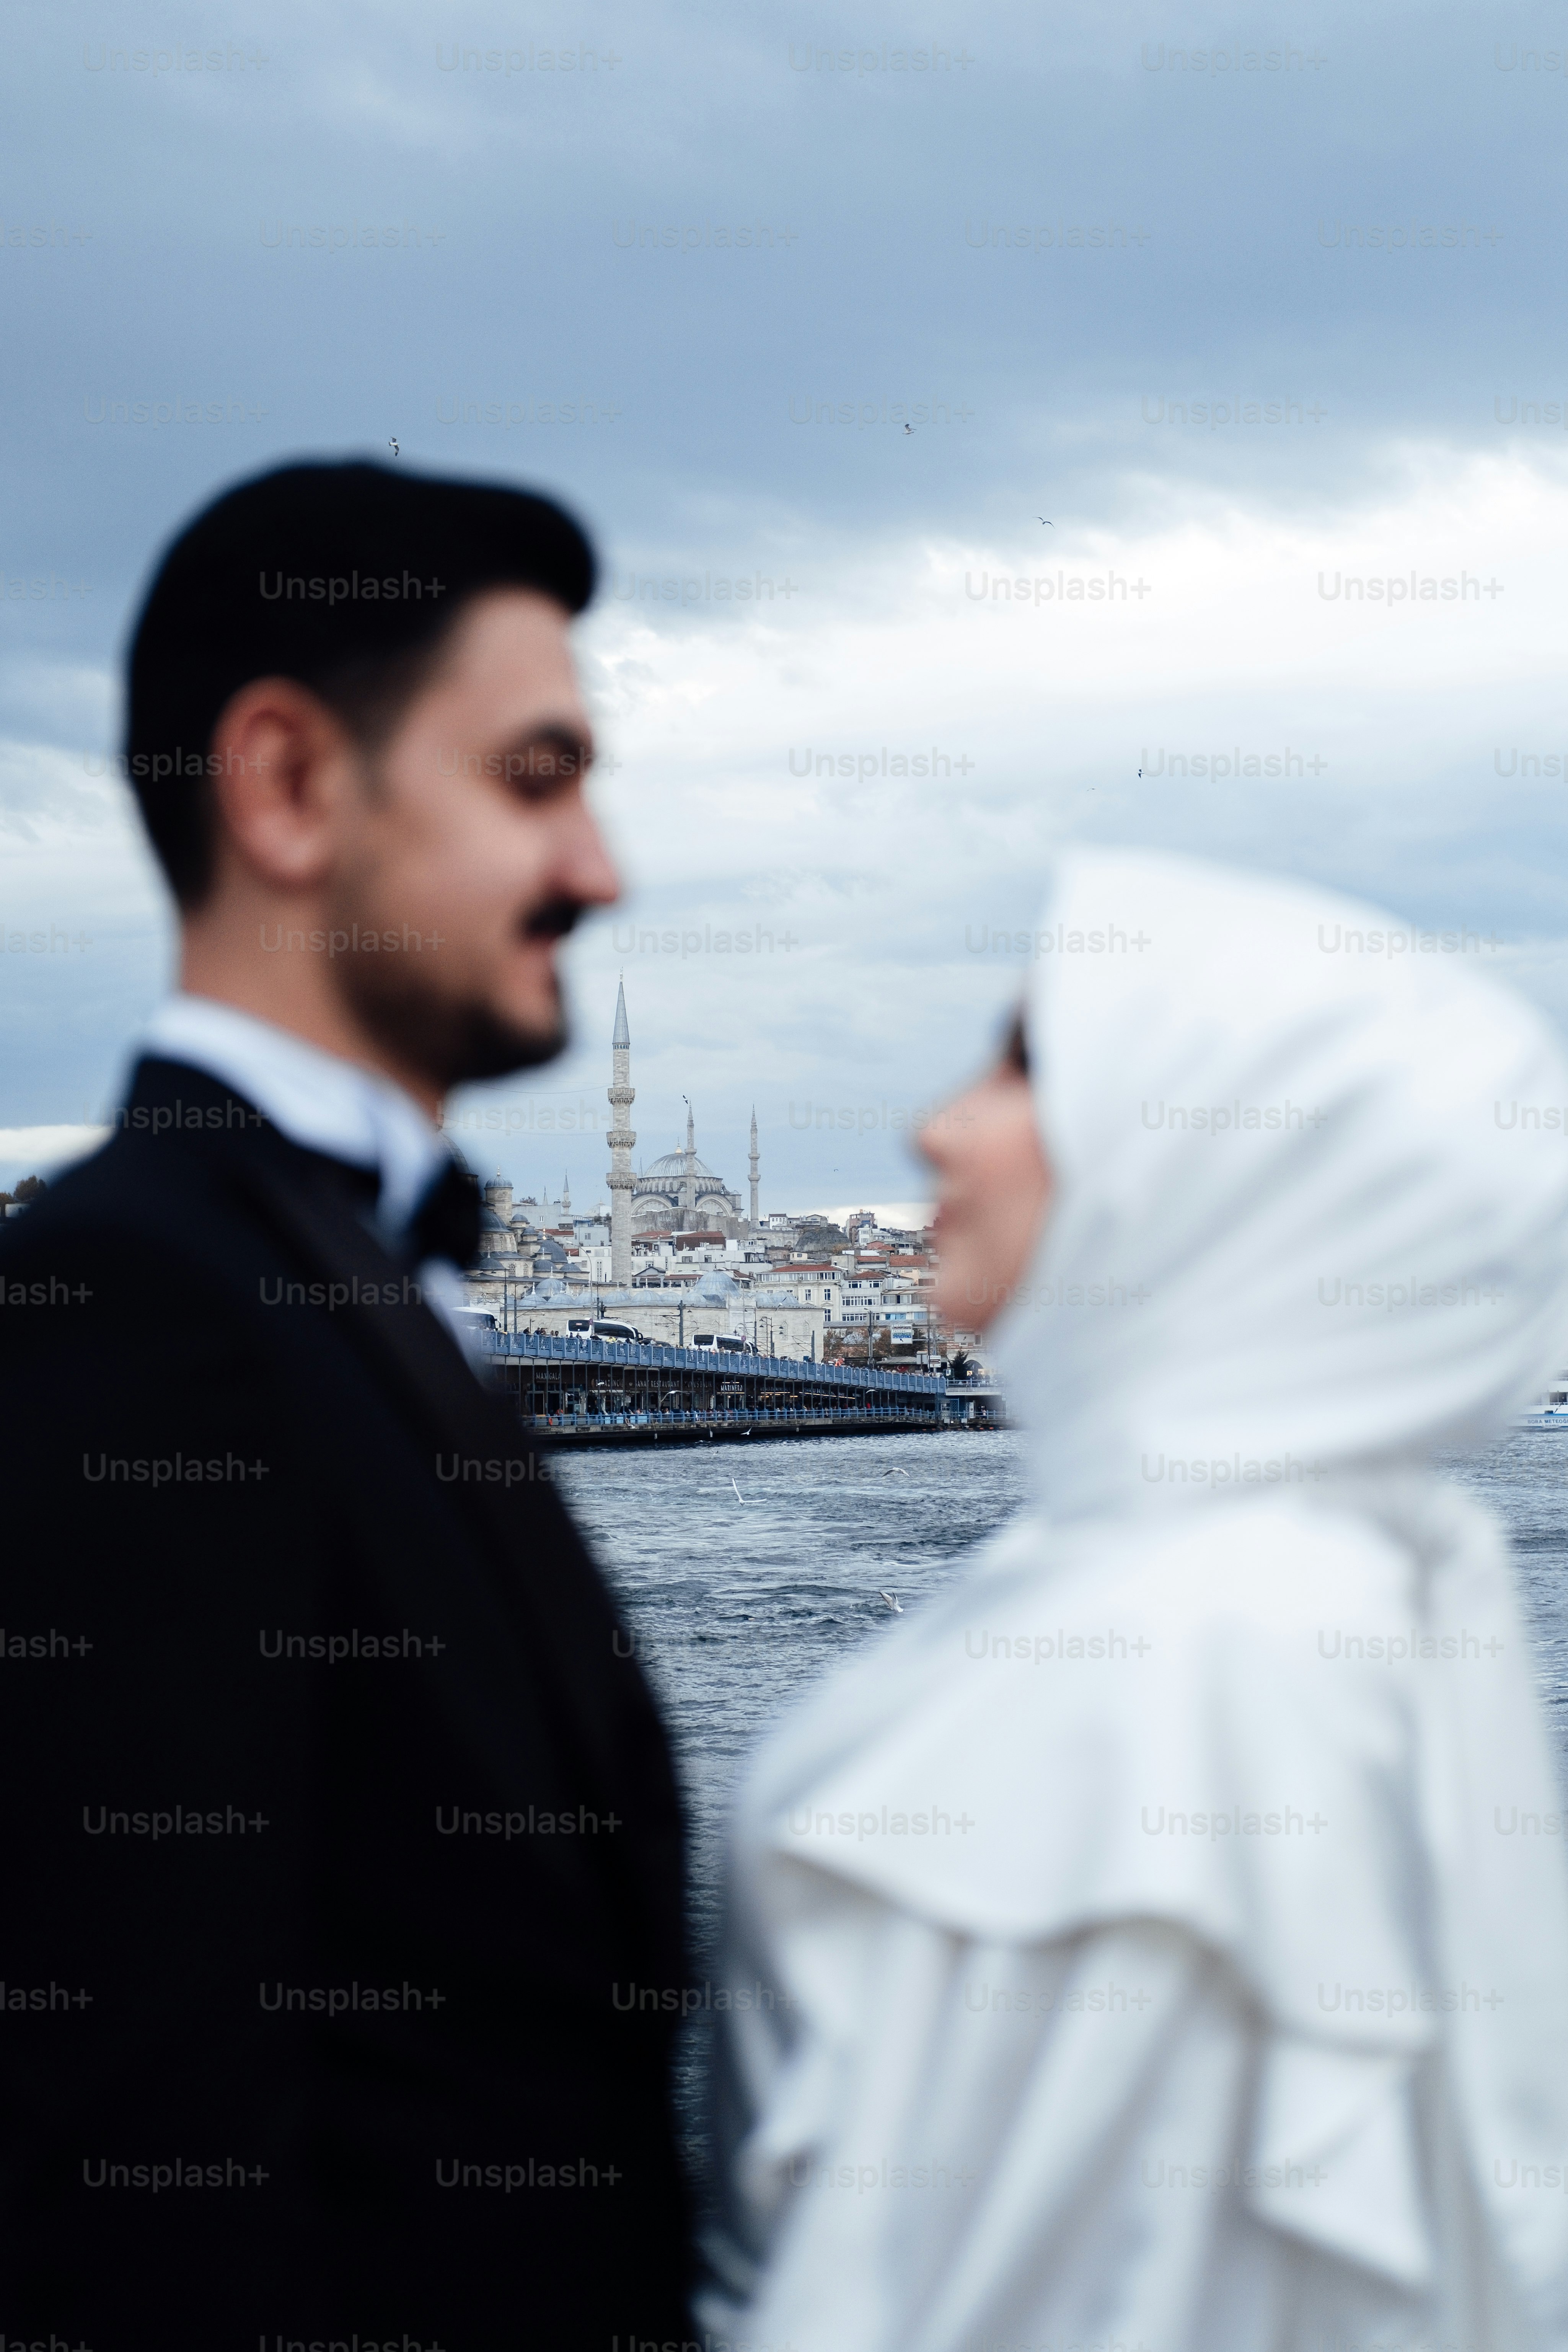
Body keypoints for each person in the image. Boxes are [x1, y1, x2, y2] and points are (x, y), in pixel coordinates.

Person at [0, 461, 693, 2349]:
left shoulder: (327, 1281)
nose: (600, 869)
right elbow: (134, 2161)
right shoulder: (140, 1311)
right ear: (290, 786)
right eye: (534, 778)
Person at [703, 846, 1568, 2352]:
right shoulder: (1338, 1600)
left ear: (1206, 1172)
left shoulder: (1182, 1668)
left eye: (1024, 1068)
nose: (935, 1128)